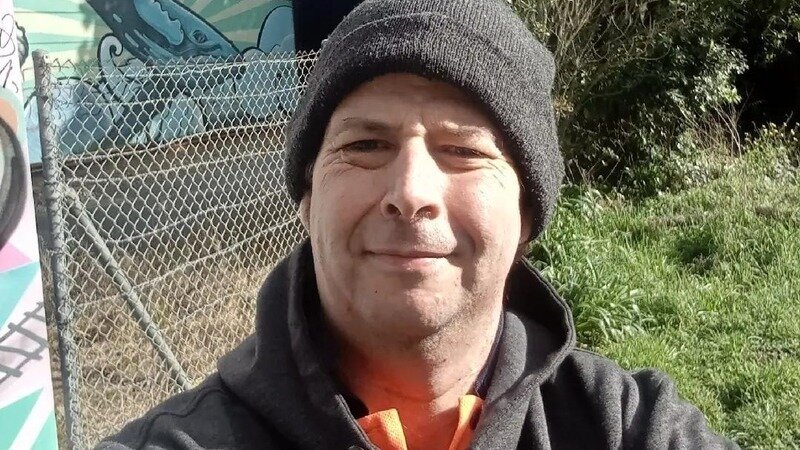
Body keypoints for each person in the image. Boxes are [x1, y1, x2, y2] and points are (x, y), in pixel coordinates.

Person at [99, 0, 738, 449]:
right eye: (365, 146)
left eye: (462, 150)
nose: (410, 193)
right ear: (307, 198)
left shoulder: (623, 428)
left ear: (527, 214)